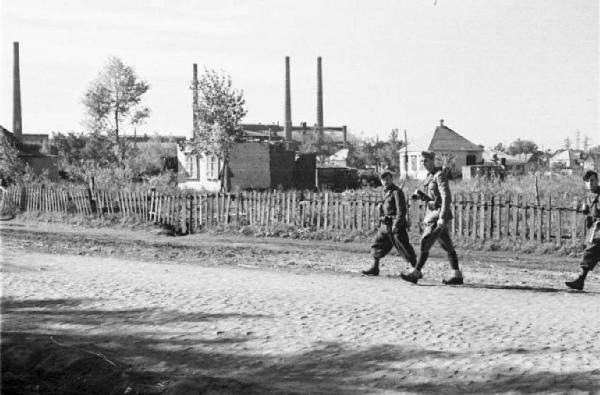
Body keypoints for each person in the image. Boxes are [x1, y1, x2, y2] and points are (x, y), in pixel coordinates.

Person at [400, 151, 463, 285]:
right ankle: (456, 274)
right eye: (422, 161)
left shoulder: (439, 175)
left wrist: (442, 217)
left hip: (437, 216)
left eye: (425, 160)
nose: (423, 163)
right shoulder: (430, 176)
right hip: (432, 215)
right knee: (447, 245)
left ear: (432, 161)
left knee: (425, 241)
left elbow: (446, 197)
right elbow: (434, 198)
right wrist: (421, 195)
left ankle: (416, 272)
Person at [361, 170, 417, 276]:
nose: (385, 181)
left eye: (387, 179)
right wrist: (380, 208)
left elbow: (401, 211)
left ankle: (415, 270)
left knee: (404, 246)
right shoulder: (385, 192)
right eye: (383, 179)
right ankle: (375, 267)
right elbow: (386, 207)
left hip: (395, 225)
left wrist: (397, 225)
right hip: (385, 225)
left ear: (391, 179)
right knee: (376, 244)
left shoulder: (397, 192)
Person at [565, 170, 600, 291]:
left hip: (599, 231)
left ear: (597, 181)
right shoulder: (588, 196)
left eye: (592, 180)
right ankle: (580, 280)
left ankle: (580, 280)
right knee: (592, 255)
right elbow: (588, 211)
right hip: (595, 229)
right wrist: (585, 210)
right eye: (587, 181)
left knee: (589, 252)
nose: (590, 183)